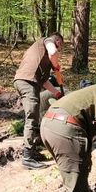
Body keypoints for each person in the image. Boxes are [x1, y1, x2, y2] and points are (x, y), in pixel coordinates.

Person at [14, 33, 64, 170]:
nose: (59, 50)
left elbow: (44, 81)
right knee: (32, 118)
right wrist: (56, 66)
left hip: (28, 81)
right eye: (60, 47)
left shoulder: (41, 58)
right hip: (26, 82)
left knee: (34, 117)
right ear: (58, 41)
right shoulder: (48, 41)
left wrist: (57, 93)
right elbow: (53, 52)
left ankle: (32, 151)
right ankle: (27, 157)